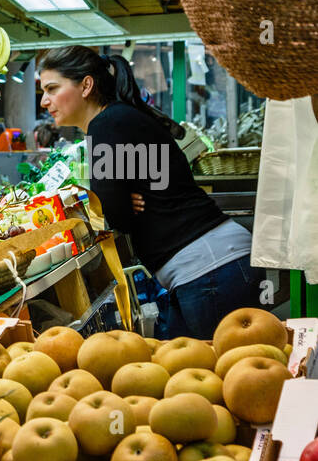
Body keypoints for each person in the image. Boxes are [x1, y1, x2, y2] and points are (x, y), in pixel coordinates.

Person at [38, 45, 262, 340]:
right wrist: (117, 200)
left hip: (209, 268)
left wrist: (112, 204)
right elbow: (117, 204)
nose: (44, 101)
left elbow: (115, 215)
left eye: (52, 88)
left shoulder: (106, 124)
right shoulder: (118, 118)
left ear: (86, 85)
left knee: (232, 376)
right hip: (212, 265)